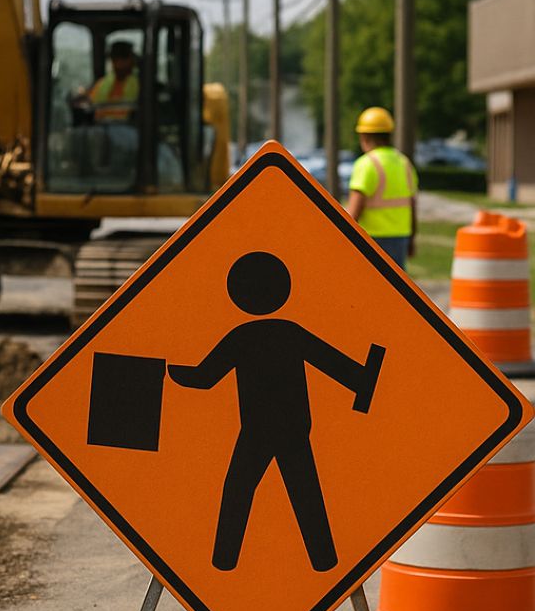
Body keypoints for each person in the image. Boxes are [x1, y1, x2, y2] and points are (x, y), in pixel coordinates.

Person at [166, 252, 383, 572]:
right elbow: (330, 362)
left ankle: (224, 561)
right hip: (295, 426)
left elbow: (205, 377)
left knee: (238, 488)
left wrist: (172, 371)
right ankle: (324, 560)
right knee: (304, 489)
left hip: (256, 430)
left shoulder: (241, 336)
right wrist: (361, 379)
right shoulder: (289, 331)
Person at [345, 106, 418, 270]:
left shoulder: (366, 164)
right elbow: (412, 205)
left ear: (363, 136)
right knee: (394, 290)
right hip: (400, 237)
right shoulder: (404, 163)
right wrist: (412, 239)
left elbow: (353, 211)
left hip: (371, 240)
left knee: (368, 289)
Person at [88, 39, 139, 121]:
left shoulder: (141, 84)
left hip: (127, 127)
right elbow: (91, 102)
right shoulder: (102, 83)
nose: (119, 63)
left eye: (124, 58)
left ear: (132, 60)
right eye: (115, 59)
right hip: (100, 126)